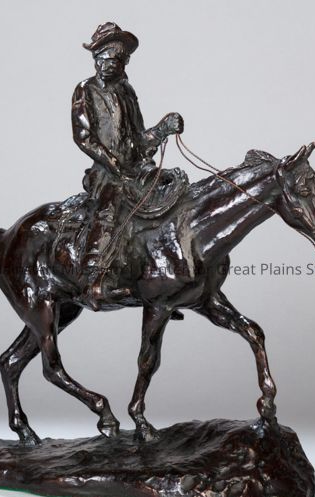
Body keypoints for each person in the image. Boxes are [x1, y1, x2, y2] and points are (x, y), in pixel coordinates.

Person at [72, 22, 185, 308]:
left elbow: (138, 139)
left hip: (135, 169)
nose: (112, 61)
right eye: (107, 56)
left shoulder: (127, 92)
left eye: (119, 57)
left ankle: (161, 279)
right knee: (111, 205)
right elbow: (84, 137)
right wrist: (114, 164)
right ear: (96, 58)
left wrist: (162, 129)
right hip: (105, 172)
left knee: (172, 193)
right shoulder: (86, 90)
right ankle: (93, 276)